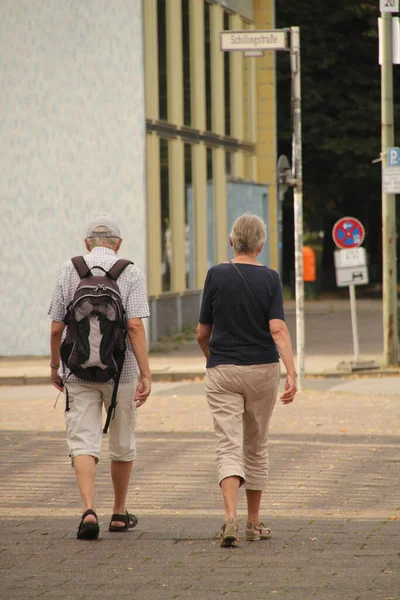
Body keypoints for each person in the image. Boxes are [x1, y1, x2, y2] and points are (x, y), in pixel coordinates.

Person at [196, 213, 296, 548]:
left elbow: (201, 333)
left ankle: (229, 517)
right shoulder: (270, 278)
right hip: (262, 371)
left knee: (228, 443)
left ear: (231, 241)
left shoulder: (215, 275)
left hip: (222, 369)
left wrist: (214, 359)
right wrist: (292, 372)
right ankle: (254, 522)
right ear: (261, 245)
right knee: (256, 443)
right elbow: (278, 329)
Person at [48, 216, 151, 540]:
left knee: (83, 441)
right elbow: (134, 326)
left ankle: (88, 509)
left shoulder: (69, 269)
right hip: (122, 372)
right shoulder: (130, 271)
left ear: (86, 243)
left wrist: (55, 366)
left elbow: (55, 327)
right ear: (118, 244)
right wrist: (146, 374)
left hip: (77, 373)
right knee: (122, 441)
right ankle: (119, 512)